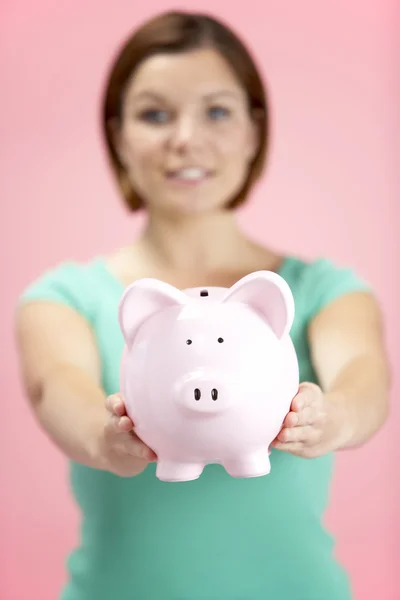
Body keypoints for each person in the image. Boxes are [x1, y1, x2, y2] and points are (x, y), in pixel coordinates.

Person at [15, 10, 391, 600]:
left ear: (252, 130)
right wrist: (103, 436)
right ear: (118, 135)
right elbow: (56, 389)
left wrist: (333, 417)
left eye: (216, 111)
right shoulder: (62, 298)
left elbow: (365, 379)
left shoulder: (322, 290)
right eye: (154, 114)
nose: (184, 139)